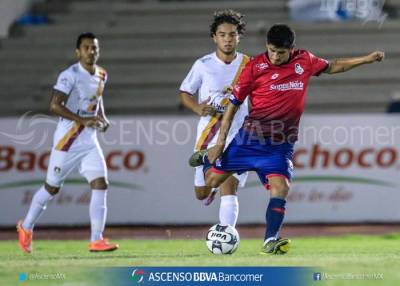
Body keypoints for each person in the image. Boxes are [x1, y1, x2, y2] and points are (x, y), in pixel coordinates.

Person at [189, 24, 384, 254]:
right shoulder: (254, 67)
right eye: (271, 50)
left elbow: (334, 66)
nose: (275, 56)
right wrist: (220, 143)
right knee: (208, 185)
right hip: (249, 140)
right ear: (266, 46)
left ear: (291, 49)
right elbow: (233, 105)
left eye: (280, 52)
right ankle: (207, 157)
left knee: (281, 187)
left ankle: (270, 240)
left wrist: (367, 59)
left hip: (279, 147)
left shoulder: (304, 61)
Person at [17, 32, 119, 254]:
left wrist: (102, 118)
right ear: (78, 51)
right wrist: (83, 120)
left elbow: (97, 101)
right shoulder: (69, 75)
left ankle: (96, 239)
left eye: (94, 48)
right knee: (51, 188)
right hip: (68, 140)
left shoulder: (102, 74)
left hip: (89, 140)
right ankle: (25, 227)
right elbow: (54, 105)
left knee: (100, 184)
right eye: (86, 48)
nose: (91, 51)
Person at [179, 9, 249, 227]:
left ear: (239, 36)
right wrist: (198, 108)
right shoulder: (203, 65)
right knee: (201, 192)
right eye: (222, 34)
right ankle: (212, 189)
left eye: (232, 34)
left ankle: (225, 234)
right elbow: (185, 92)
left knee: (230, 185)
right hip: (208, 135)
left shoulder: (250, 65)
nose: (227, 39)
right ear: (214, 37)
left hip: (238, 134)